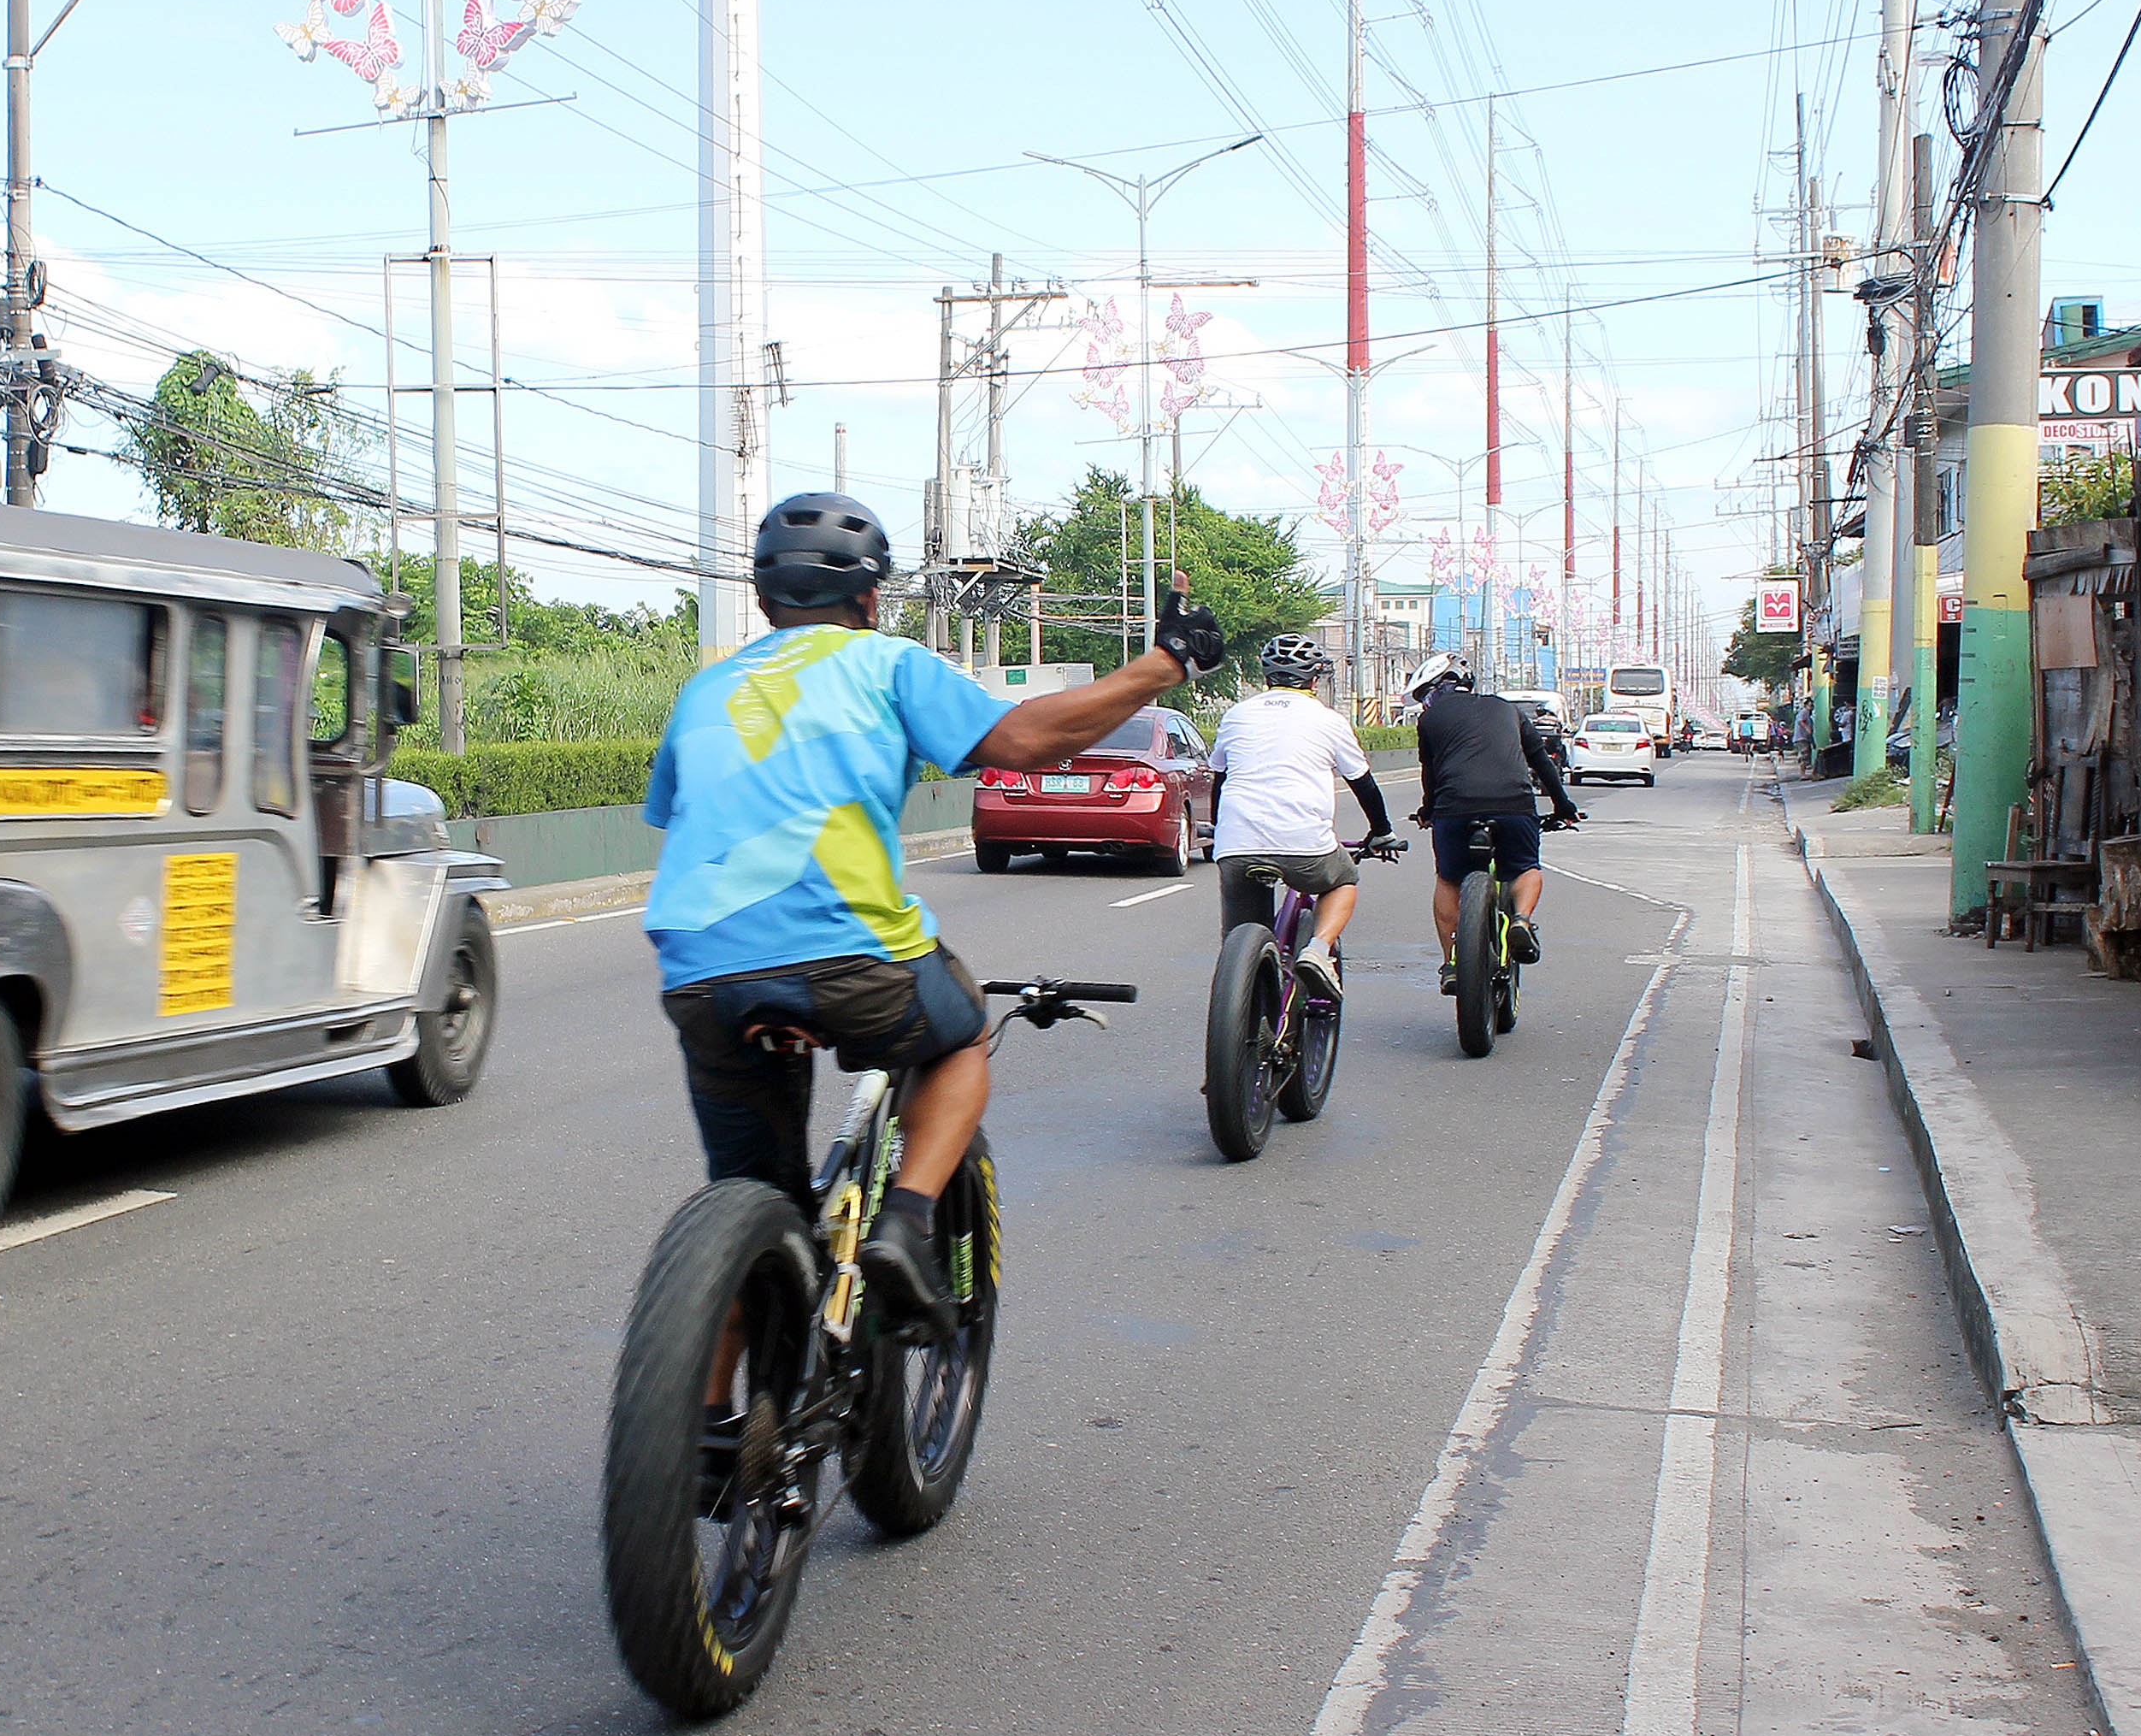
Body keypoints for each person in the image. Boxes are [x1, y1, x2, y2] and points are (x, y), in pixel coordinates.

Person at [643, 493, 1219, 1340]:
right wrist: (1159, 668)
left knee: (751, 1207)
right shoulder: (888, 666)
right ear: (872, 603)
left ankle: (713, 1441)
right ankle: (908, 1226)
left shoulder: (703, 691)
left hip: (699, 972)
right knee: (955, 1036)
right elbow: (1022, 742)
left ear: (764, 605)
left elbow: (676, 816)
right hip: (850, 953)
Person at [1206, 634, 1398, 995]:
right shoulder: (1329, 720)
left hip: (1236, 845)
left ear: (1266, 677)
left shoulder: (1236, 715)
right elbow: (1363, 784)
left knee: (1239, 938)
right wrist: (1382, 831)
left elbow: (1221, 780)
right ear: (1314, 679)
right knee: (1343, 880)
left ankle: (1247, 999)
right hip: (1304, 848)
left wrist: (1219, 829)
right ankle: (1318, 951)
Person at [1406, 652, 1578, 995]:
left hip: (1454, 810)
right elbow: (1541, 762)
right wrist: (1563, 806)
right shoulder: (1508, 710)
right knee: (1526, 868)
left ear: (1437, 691)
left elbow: (1432, 772)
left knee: (1449, 879)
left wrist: (1428, 809)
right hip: (1513, 806)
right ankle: (1521, 920)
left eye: (1427, 696)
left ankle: (1453, 962)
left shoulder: (1429, 720)